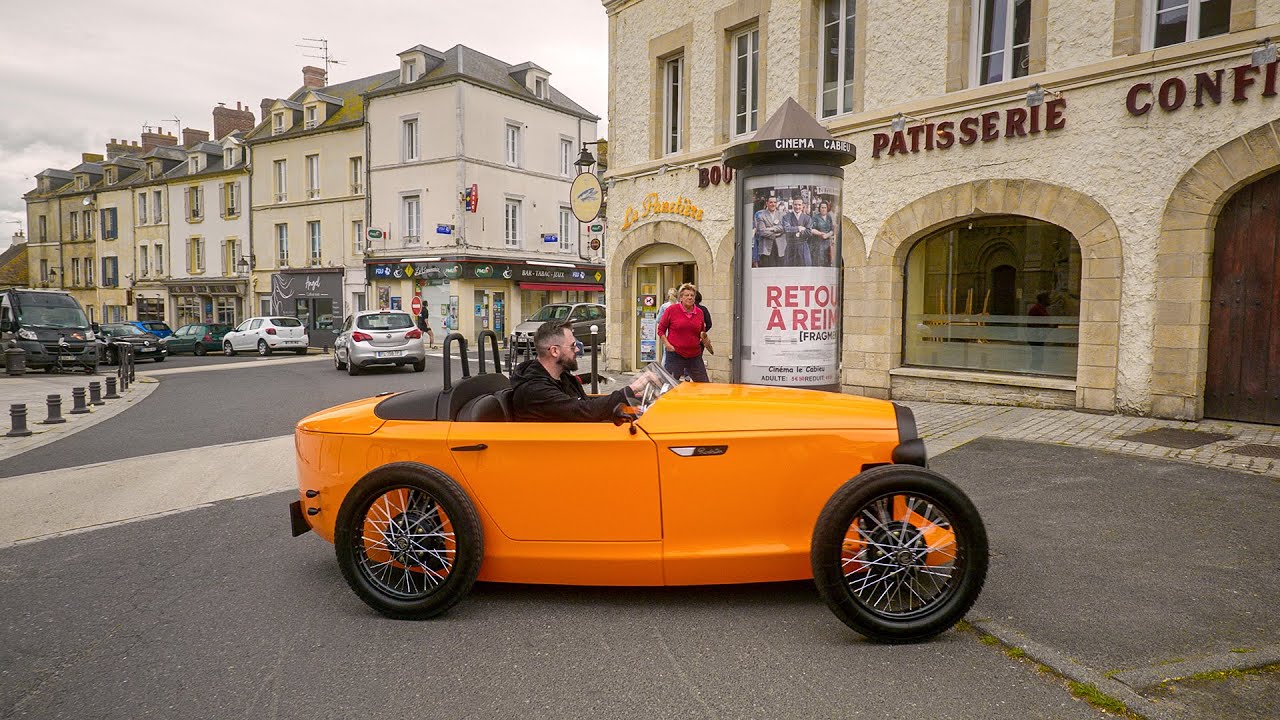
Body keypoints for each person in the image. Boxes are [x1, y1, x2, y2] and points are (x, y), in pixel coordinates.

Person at [510, 320, 650, 422]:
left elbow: (586, 403)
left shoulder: (562, 377)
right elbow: (585, 411)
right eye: (572, 346)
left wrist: (636, 405)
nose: (577, 350)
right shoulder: (535, 390)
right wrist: (631, 389)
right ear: (554, 351)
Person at [657, 283, 710, 382]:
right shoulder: (671, 310)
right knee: (670, 384)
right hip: (675, 354)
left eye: (692, 295)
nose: (690, 297)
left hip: (694, 355)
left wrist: (705, 339)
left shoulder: (699, 312)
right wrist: (667, 345)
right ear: (681, 298)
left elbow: (701, 331)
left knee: (703, 384)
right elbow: (661, 330)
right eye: (686, 295)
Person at [753, 196, 785, 267]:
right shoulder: (761, 215)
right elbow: (762, 231)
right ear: (767, 203)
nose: (773, 204)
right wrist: (776, 234)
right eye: (771, 202)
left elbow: (784, 227)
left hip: (780, 248)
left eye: (775, 202)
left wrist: (772, 228)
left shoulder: (782, 214)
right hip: (766, 249)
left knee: (780, 271)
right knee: (767, 270)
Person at [781, 198, 813, 266]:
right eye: (795, 204)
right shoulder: (786, 217)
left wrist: (796, 232)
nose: (797, 207)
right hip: (791, 247)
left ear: (803, 205)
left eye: (799, 205)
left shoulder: (807, 218)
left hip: (803, 247)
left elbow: (809, 232)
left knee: (805, 267)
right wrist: (798, 228)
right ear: (792, 205)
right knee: (790, 268)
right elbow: (786, 229)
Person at [810, 201, 835, 267]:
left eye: (825, 208)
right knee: (819, 261)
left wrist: (827, 235)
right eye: (822, 207)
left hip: (827, 243)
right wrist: (820, 234)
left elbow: (832, 230)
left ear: (827, 209)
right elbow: (811, 229)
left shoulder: (829, 217)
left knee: (827, 261)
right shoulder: (815, 217)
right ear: (819, 208)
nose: (823, 209)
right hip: (818, 243)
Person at [694, 290, 713, 355]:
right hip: (700, 338)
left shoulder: (686, 309)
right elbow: (709, 324)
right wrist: (702, 331)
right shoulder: (703, 309)